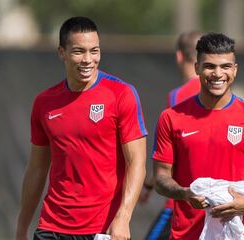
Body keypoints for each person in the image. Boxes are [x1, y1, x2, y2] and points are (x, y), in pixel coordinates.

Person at [15, 16, 148, 240]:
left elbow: (136, 163)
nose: (88, 59)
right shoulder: (44, 102)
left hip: (103, 228)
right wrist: (22, 226)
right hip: (52, 226)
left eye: (94, 51)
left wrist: (123, 218)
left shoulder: (121, 94)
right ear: (61, 53)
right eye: (79, 51)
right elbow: (37, 169)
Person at [152, 32, 244, 239]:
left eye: (225, 66)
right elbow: (160, 178)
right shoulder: (171, 118)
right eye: (210, 66)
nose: (218, 74)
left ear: (235, 70)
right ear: (197, 68)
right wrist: (186, 193)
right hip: (184, 235)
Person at [140, 31, 202, 240]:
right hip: (212, 200)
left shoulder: (179, 96)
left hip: (180, 201)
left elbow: (169, 152)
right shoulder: (223, 96)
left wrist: (148, 183)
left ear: (179, 56)